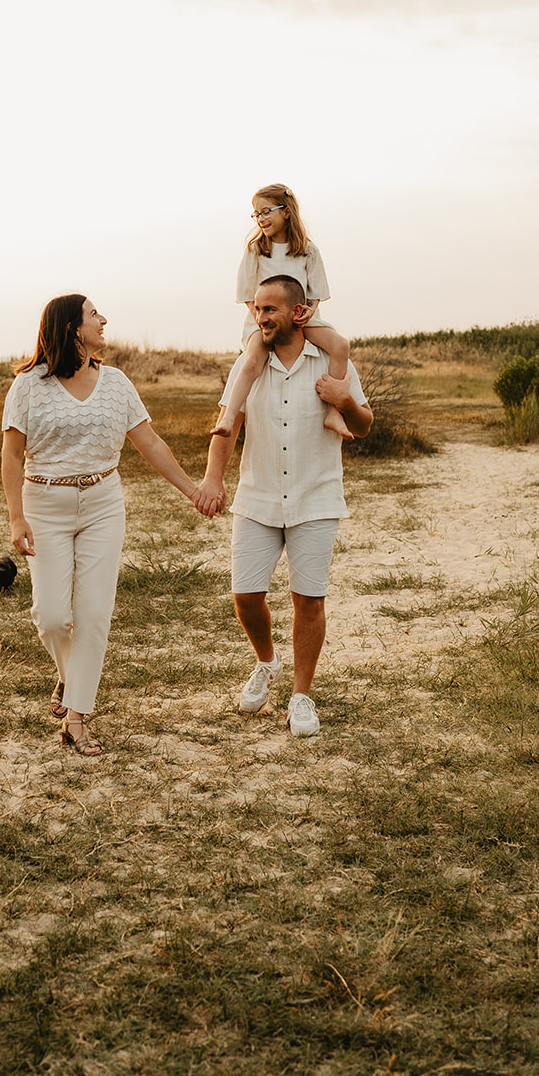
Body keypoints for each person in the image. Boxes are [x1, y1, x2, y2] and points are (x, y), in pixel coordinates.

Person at [2, 293, 209, 757]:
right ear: (73, 327)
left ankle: (76, 718)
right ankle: (68, 676)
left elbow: (151, 445)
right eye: (95, 314)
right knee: (52, 616)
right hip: (45, 505)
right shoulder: (28, 385)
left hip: (102, 504)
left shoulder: (115, 383)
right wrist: (16, 516)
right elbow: (12, 454)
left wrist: (192, 490)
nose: (104, 320)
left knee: (94, 613)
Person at [195, 275, 373, 737]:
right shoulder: (248, 364)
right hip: (257, 497)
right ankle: (266, 663)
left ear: (299, 312)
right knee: (246, 595)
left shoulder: (332, 361)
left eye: (270, 310)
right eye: (257, 309)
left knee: (308, 600)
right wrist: (214, 478)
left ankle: (301, 695)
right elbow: (228, 424)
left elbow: (365, 423)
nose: (261, 318)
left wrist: (345, 400)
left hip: (316, 498)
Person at [213, 183, 353, 440]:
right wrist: (261, 317)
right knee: (252, 360)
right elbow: (246, 295)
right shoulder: (255, 250)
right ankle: (230, 417)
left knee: (340, 345)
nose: (260, 219)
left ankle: (333, 412)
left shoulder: (307, 251)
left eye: (266, 212)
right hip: (263, 322)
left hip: (301, 320)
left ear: (286, 211)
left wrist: (309, 312)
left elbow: (316, 293)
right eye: (256, 214)